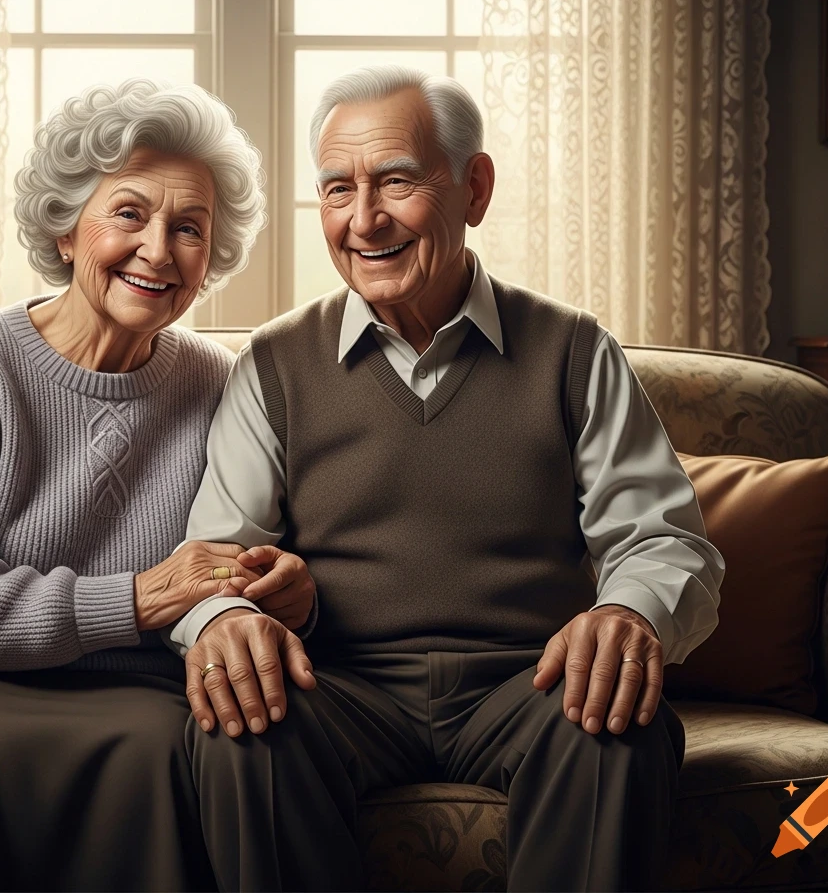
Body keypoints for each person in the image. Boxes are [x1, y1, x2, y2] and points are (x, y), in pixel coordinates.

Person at [166, 66, 726, 891]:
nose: (365, 220)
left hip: (530, 681)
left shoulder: (574, 350)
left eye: (396, 180)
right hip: (339, 684)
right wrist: (216, 617)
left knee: (621, 727)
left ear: (475, 187)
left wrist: (626, 611)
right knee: (237, 728)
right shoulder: (274, 364)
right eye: (336, 189)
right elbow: (218, 555)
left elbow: (663, 538)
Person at [0, 78, 311, 891]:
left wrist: (279, 590)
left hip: (134, 689)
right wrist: (135, 598)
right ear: (65, 231)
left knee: (173, 748)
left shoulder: (219, 383)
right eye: (129, 213)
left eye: (188, 228)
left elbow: (224, 570)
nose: (159, 250)